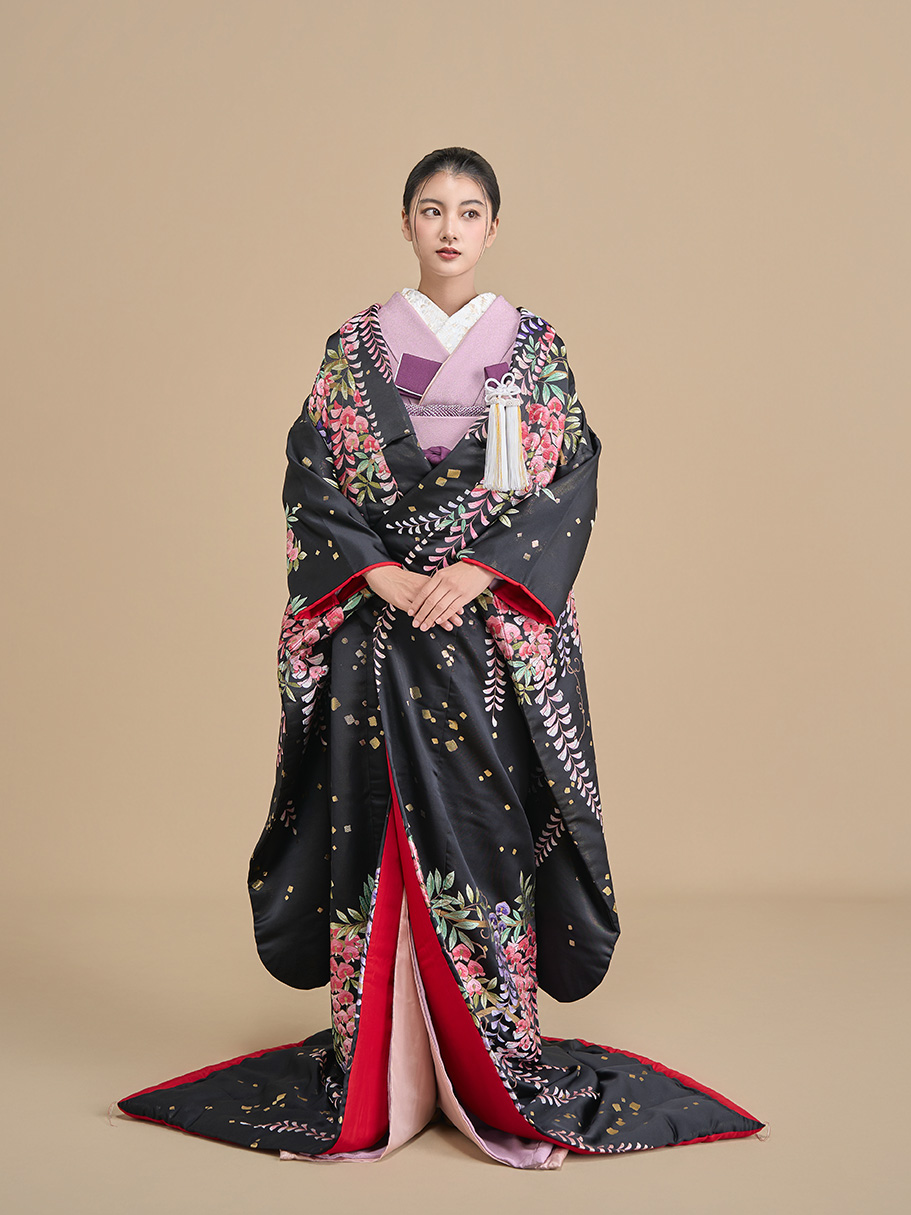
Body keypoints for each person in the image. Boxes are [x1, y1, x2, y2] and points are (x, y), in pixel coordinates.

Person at [117, 147, 765, 1168]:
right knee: (369, 832)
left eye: (468, 212)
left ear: (492, 228)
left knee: (485, 832)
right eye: (431, 210)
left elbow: (565, 483)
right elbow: (311, 476)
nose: (450, 228)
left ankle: (484, 1063)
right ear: (406, 223)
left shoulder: (534, 350)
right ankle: (382, 1067)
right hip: (376, 635)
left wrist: (476, 570)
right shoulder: (352, 349)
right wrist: (378, 576)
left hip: (484, 634)